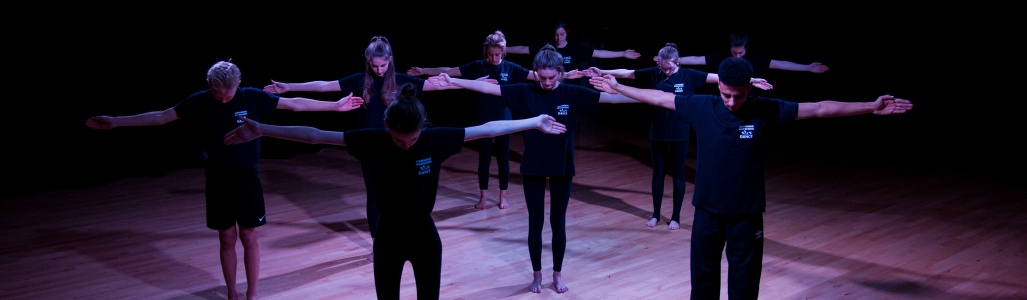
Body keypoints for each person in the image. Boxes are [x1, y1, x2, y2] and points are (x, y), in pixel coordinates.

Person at [589, 56, 913, 299]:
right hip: (707, 214)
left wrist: (870, 107)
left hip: (746, 216)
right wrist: (619, 87)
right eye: (726, 95)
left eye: (739, 96)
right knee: (703, 287)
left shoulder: (765, 109)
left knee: (743, 291)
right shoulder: (701, 106)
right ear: (719, 87)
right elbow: (659, 98)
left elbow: (818, 109)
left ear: (749, 89)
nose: (731, 102)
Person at [223, 83, 568, 300]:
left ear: (422, 129)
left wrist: (533, 122)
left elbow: (488, 128)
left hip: (424, 235)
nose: (406, 145)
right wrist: (262, 129)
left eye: (412, 139)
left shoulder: (433, 139)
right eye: (399, 139)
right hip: (387, 237)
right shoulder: (373, 141)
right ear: (387, 127)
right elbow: (315, 135)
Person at [84, 60, 365, 300]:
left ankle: (252, 293)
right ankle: (232, 292)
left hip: (247, 178)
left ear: (237, 83)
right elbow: (160, 117)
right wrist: (116, 121)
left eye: (227, 93)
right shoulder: (200, 100)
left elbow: (293, 105)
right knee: (226, 237)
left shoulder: (251, 97)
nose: (222, 98)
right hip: (218, 179)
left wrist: (335, 107)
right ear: (210, 85)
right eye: (217, 93)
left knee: (248, 235)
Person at [428, 44, 641, 294]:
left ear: (561, 73)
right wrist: (455, 81)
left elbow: (615, 100)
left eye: (552, 77)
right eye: (542, 77)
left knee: (557, 222)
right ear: (536, 72)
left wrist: (645, 93)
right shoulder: (526, 92)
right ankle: (537, 275)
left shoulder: (573, 93)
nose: (547, 82)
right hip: (533, 167)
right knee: (535, 223)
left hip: (563, 167)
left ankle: (557, 275)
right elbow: (490, 88)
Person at [262, 36, 459, 262]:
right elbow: (324, 85)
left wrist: (468, 81)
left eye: (383, 65)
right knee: (375, 196)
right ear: (368, 62)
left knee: (403, 194)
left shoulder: (402, 81)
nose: (378, 70)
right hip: (371, 146)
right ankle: (379, 243)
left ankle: (406, 237)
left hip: (398, 146)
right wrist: (288, 87)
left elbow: (437, 85)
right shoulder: (359, 81)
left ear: (390, 61)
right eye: (374, 65)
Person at [583, 43, 773, 230]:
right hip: (657, 133)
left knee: (678, 176)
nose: (665, 72)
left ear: (678, 63)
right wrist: (601, 70)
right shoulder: (653, 72)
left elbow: (720, 77)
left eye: (669, 68)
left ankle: (675, 217)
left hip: (679, 134)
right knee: (657, 176)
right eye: (662, 68)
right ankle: (656, 214)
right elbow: (627, 72)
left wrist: (752, 80)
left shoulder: (689, 76)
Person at [407, 30, 583, 210]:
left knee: (503, 159)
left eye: (497, 55)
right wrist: (423, 71)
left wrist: (567, 75)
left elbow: (537, 74)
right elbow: (449, 71)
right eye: (490, 54)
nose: (493, 58)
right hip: (483, 118)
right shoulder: (478, 66)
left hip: (504, 119)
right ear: (486, 52)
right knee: (484, 158)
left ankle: (503, 197)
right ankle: (483, 197)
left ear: (503, 52)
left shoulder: (510, 68)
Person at [507, 20, 641, 86]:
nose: (558, 38)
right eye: (556, 35)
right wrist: (503, 49)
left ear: (567, 33)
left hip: (569, 87)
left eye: (561, 34)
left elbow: (600, 53)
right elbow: (522, 49)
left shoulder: (576, 49)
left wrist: (623, 53)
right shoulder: (546, 48)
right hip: (549, 86)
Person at [662, 30, 830, 78]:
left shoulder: (755, 59)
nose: (737, 55)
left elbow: (781, 63)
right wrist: (673, 60)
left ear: (746, 48)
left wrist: (808, 67)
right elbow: (698, 59)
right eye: (734, 52)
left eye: (740, 52)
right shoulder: (722, 56)